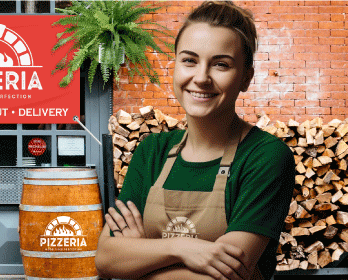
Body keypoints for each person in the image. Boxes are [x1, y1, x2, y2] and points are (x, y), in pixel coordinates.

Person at [95, 1, 293, 280]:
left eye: (221, 65)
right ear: (174, 66)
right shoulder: (152, 152)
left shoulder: (265, 156)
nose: (201, 78)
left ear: (246, 78)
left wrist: (140, 257)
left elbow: (227, 273)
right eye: (189, 60)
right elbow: (106, 258)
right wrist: (182, 248)